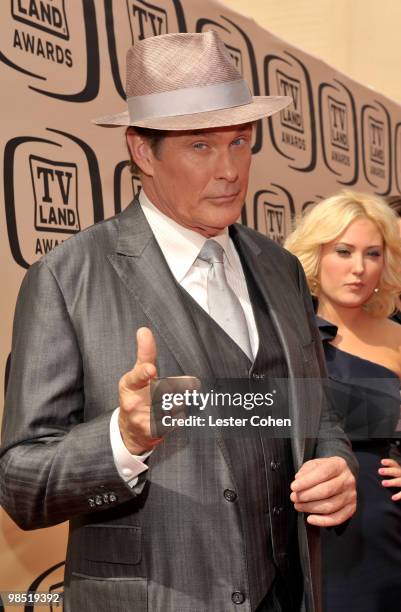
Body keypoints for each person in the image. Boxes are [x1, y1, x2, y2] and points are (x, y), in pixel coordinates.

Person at [1, 32, 357, 612]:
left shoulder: (282, 268)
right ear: (143, 151)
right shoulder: (68, 279)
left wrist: (336, 463)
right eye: (200, 147)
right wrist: (124, 437)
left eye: (240, 142)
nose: (230, 170)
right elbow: (20, 482)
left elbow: (316, 410)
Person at [285, 190, 401, 611]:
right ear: (316, 254)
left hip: (382, 521)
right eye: (344, 251)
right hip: (302, 512)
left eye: (373, 253)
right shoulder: (282, 332)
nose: (359, 268)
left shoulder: (396, 336)